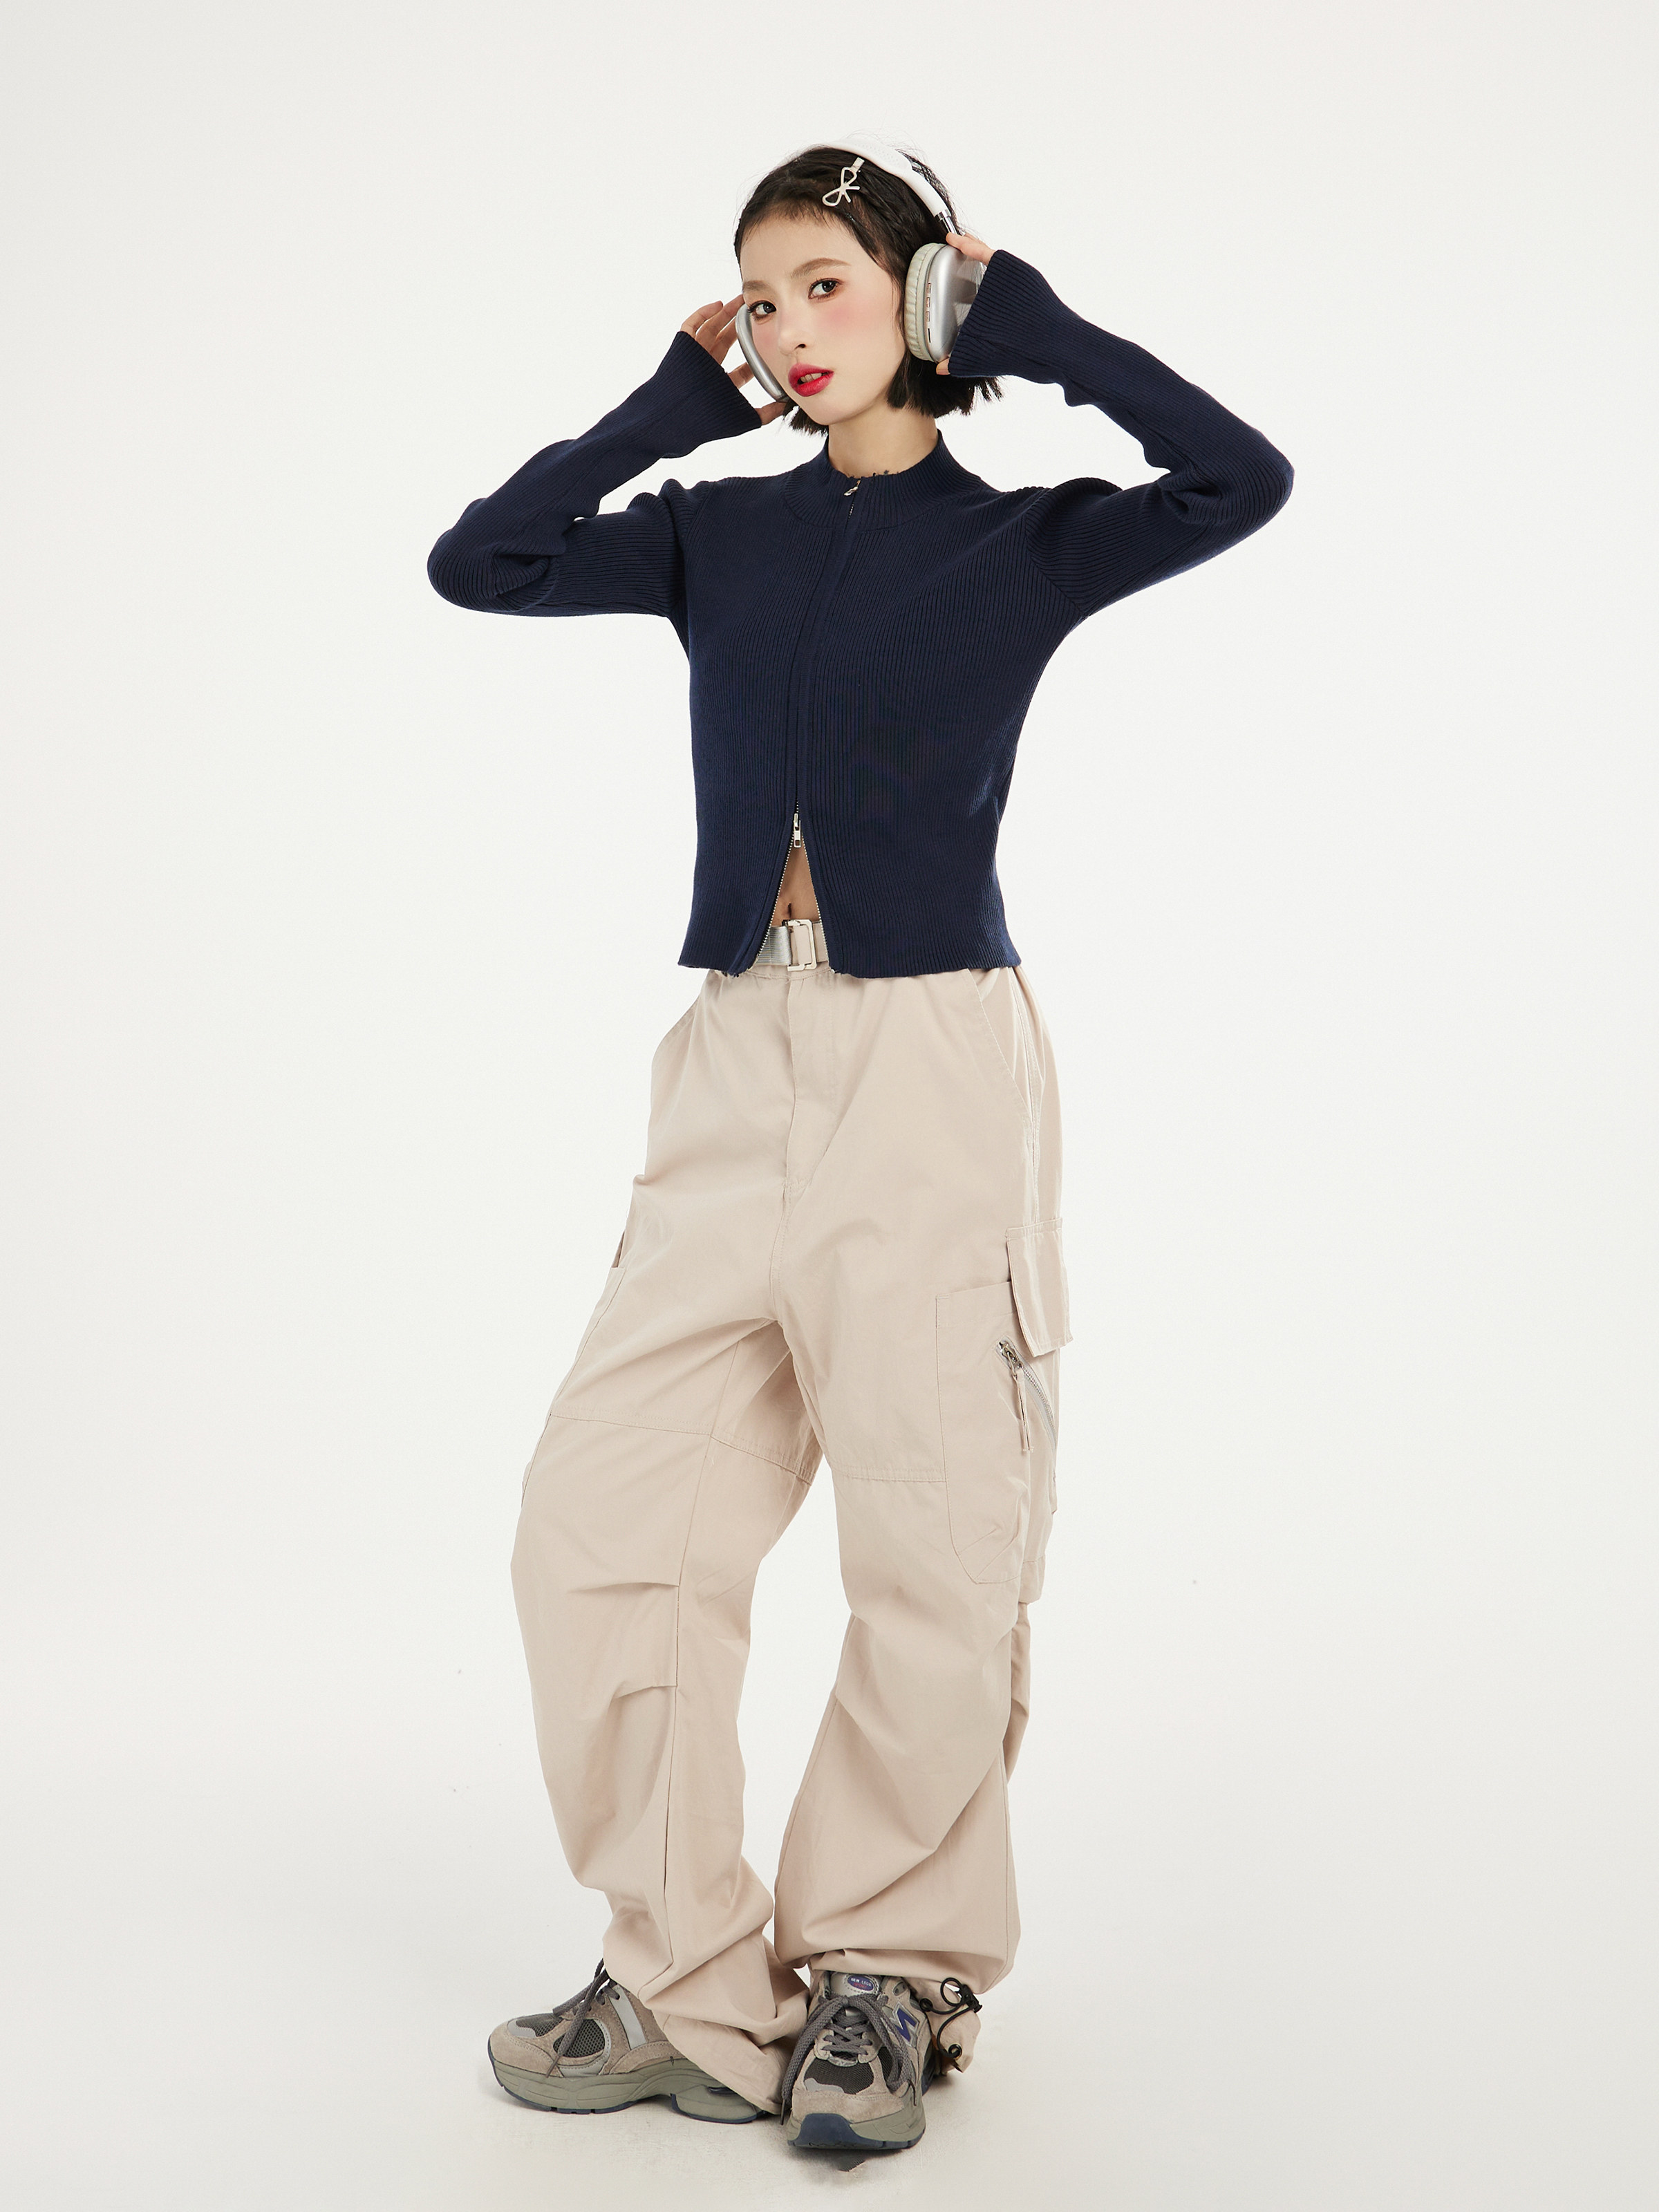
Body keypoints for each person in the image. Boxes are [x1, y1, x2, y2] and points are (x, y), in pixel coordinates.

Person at [426, 136, 1292, 2156]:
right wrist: (667, 405)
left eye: (827, 283)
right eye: (760, 296)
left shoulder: (1027, 543)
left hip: (929, 1069)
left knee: (934, 1530)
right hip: (733, 1059)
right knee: (603, 1521)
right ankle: (686, 1981)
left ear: (920, 294)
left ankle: (888, 1973)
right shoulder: (714, 534)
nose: (789, 329)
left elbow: (1239, 479)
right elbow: (485, 562)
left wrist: (1040, 329)